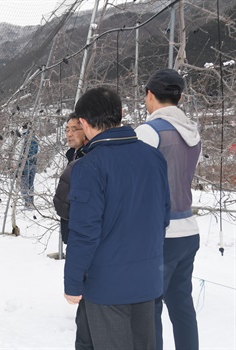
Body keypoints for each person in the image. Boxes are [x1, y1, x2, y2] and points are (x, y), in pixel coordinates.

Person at [63, 87, 170, 349]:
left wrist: (72, 282)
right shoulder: (153, 156)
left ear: (85, 123)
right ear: (121, 114)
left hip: (107, 285)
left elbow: (84, 232)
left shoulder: (89, 166)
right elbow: (163, 215)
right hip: (147, 278)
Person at [135, 68, 202, 350]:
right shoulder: (194, 133)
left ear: (150, 95)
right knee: (182, 306)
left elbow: (135, 186)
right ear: (180, 97)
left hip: (160, 235)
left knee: (149, 309)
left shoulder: (147, 132)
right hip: (188, 232)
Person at [53, 113, 87, 244]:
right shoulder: (73, 155)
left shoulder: (87, 158)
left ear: (87, 129)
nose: (69, 134)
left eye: (74, 130)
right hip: (72, 232)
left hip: (81, 234)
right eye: (67, 130)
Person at [18, 123, 39, 208]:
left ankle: (27, 203)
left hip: (25, 164)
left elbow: (21, 153)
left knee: (24, 183)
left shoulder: (25, 139)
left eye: (22, 129)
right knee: (30, 183)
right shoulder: (35, 139)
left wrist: (19, 165)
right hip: (33, 164)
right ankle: (31, 202)